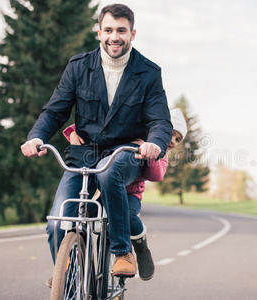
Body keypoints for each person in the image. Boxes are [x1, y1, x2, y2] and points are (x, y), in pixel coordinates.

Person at [20, 3, 173, 280]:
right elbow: (56, 110)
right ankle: (68, 272)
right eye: (109, 30)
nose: (115, 36)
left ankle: (122, 250)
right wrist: (36, 137)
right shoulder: (79, 67)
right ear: (99, 32)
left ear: (133, 34)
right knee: (58, 222)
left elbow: (160, 121)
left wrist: (155, 144)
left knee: (110, 171)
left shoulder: (148, 72)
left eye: (122, 30)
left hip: (125, 153)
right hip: (83, 154)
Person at [62, 108, 187, 280]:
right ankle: (67, 270)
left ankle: (140, 245)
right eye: (171, 133)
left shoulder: (159, 151)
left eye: (177, 139)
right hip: (105, 191)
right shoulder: (136, 134)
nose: (172, 140)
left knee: (127, 214)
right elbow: (97, 125)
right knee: (83, 217)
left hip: (131, 195)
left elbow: (156, 175)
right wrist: (72, 133)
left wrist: (149, 152)